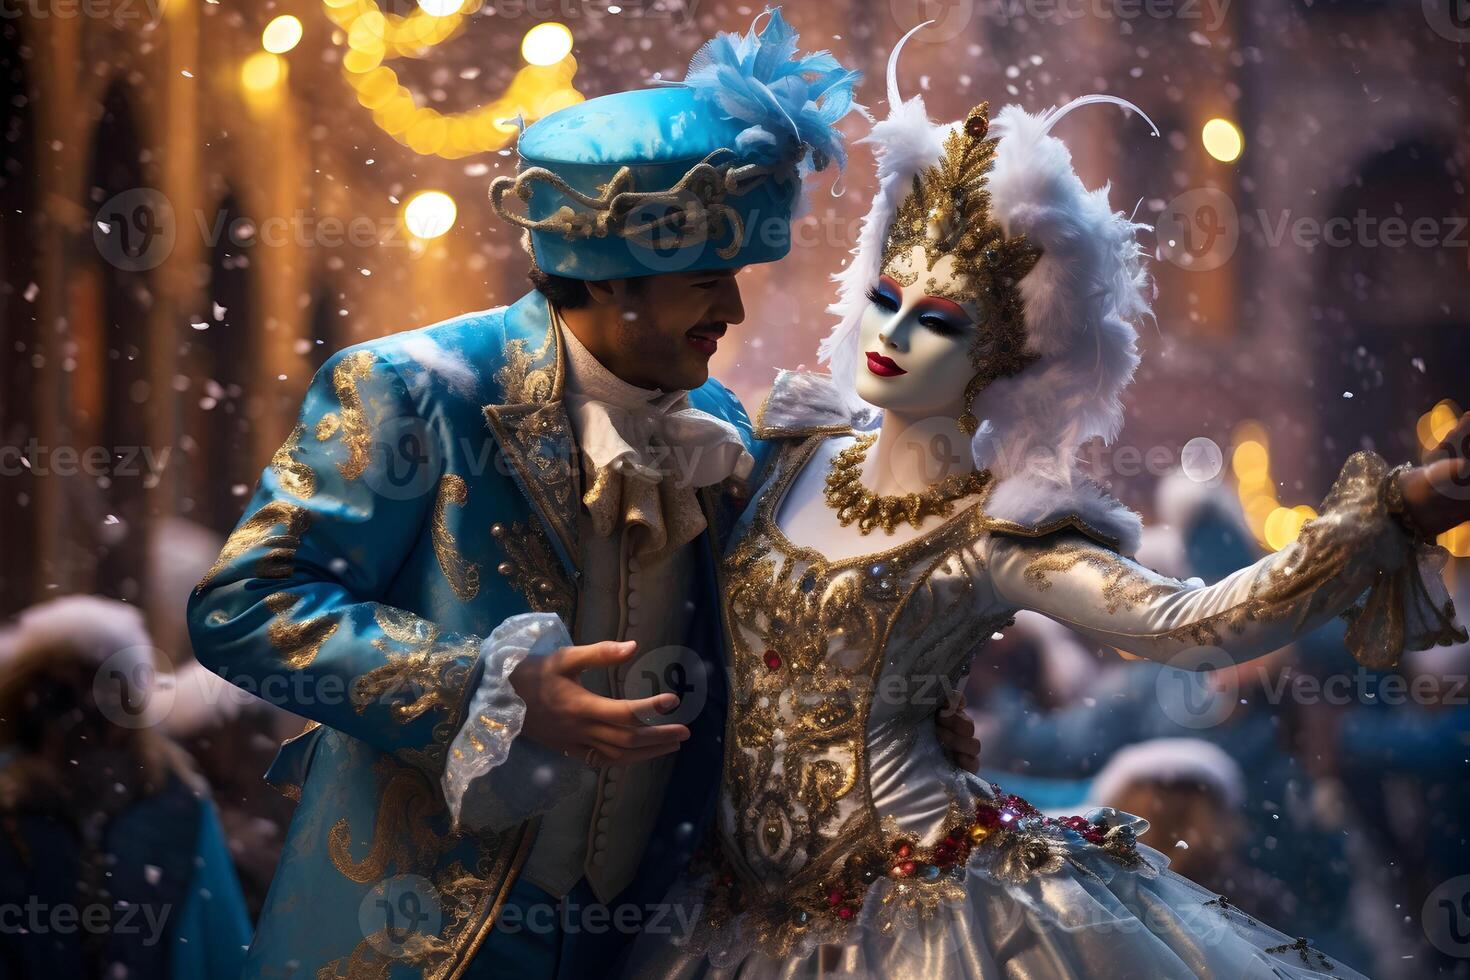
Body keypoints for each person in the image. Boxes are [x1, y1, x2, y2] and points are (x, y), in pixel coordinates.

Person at [626, 25, 1469, 979]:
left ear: (1004, 354)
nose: (894, 331)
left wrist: (1395, 512)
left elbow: (1191, 623)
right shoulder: (780, 448)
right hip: (724, 917)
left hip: (916, 920)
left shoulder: (998, 528)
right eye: (889, 296)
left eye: (938, 321)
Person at [187, 11, 978, 978]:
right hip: (412, 935)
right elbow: (244, 605)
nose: (731, 311)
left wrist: (889, 711)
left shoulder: (721, 429)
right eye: (706, 279)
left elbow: (764, 647)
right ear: (610, 278)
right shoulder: (417, 388)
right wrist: (482, 686)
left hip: (645, 943)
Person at [0, 596, 250, 980]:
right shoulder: (173, 799)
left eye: (96, 692)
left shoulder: (174, 801)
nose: (79, 715)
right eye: (58, 694)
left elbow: (222, 950)